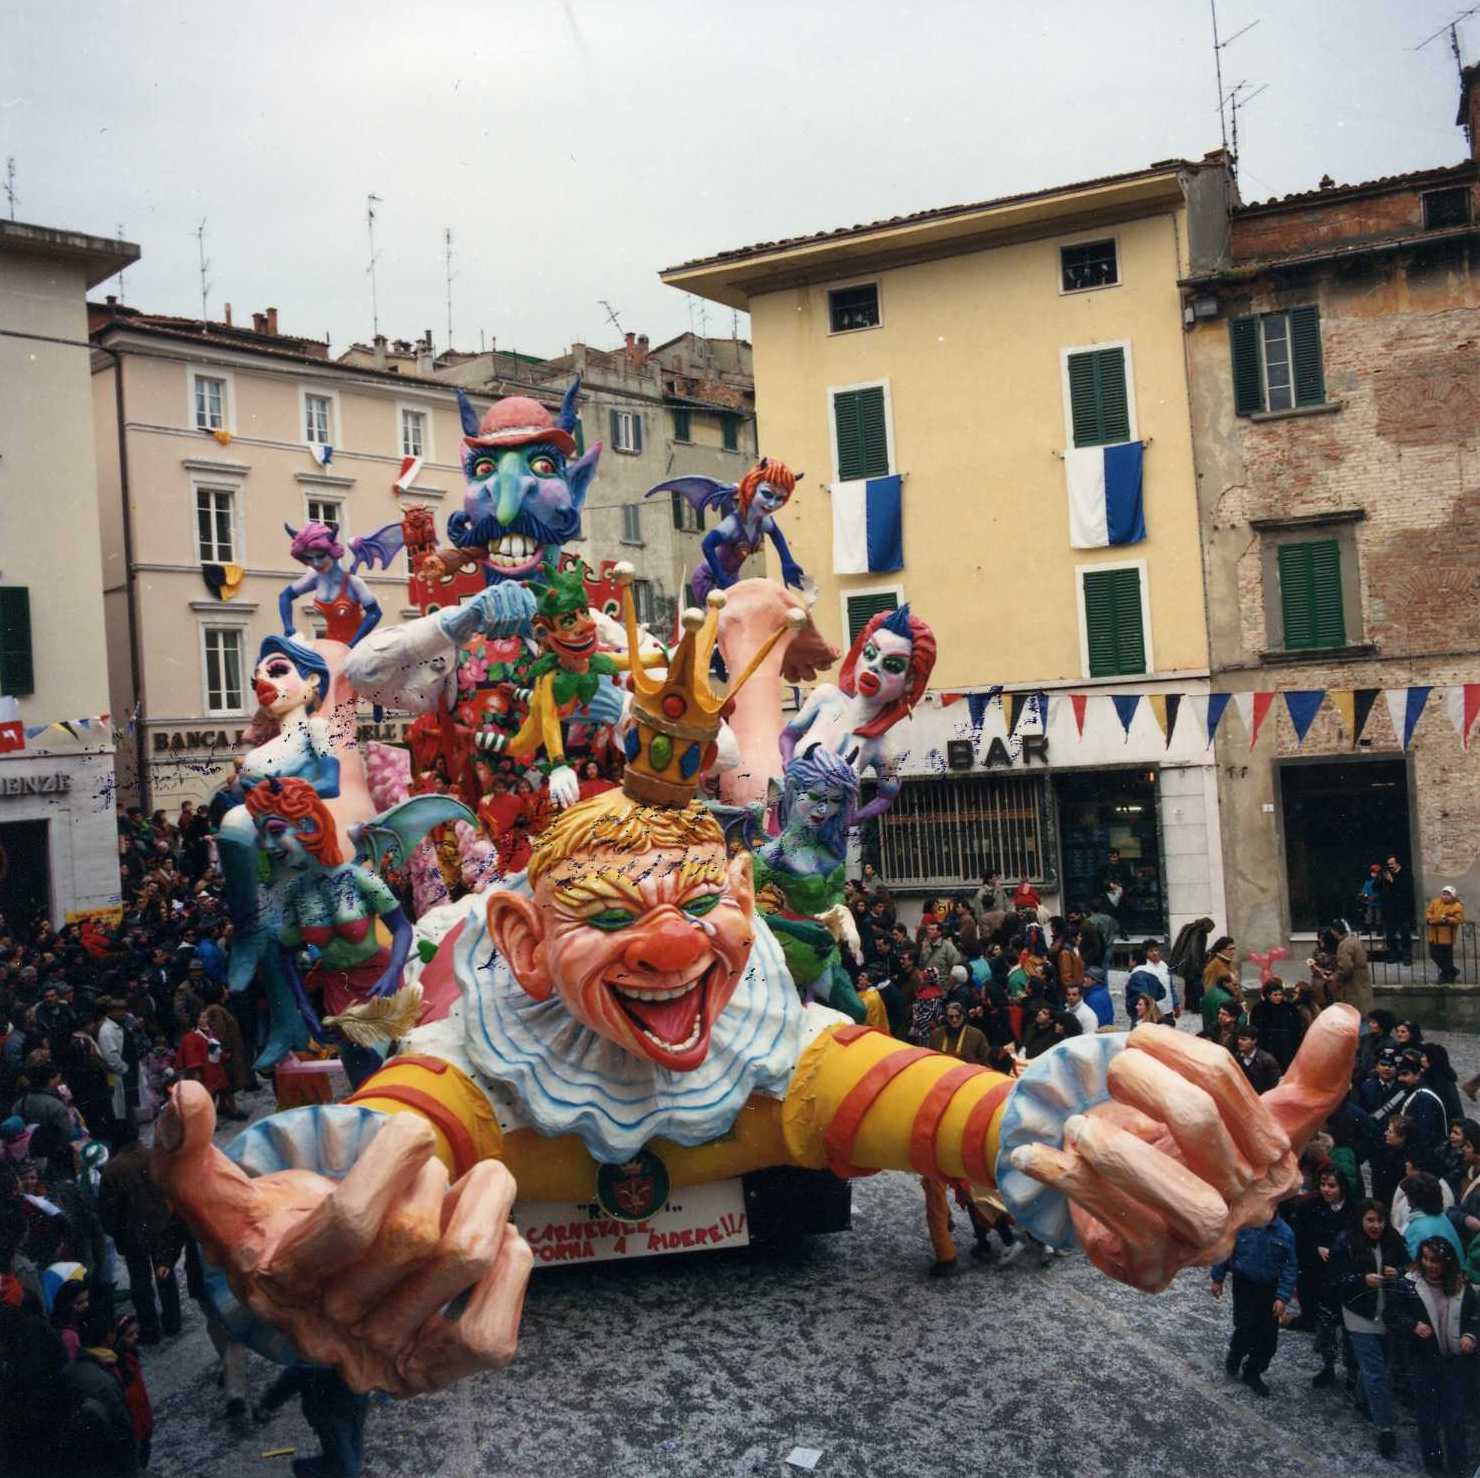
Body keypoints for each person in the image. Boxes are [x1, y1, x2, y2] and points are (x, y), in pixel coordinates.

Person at [1385, 1236, 1477, 1475]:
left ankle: (1457, 1468)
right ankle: (1434, 1466)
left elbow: (1474, 1319)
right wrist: (1413, 1326)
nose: (1430, 1265)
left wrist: (1470, 1335)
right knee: (1428, 1417)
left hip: (1454, 1361)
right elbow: (1392, 1316)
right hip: (1422, 1359)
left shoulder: (1461, 1285)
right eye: (1425, 1259)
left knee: (1454, 1418)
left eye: (1435, 1260)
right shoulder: (1408, 1284)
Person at [1333, 1197, 1407, 1459]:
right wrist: (1362, 1280)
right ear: (1361, 1220)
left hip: (1385, 1313)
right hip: (1359, 1315)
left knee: (1377, 1366)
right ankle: (1385, 1428)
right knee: (1376, 1370)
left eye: (1380, 1220)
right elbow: (1336, 1278)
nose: (1376, 1225)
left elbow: (1407, 1267)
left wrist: (1396, 1272)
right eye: (1370, 1220)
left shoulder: (1393, 1240)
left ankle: (1364, 1399)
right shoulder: (1346, 1241)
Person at [1210, 1209, 1297, 1397]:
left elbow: (1290, 1267)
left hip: (1269, 1289)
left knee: (1268, 1338)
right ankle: (1237, 1352)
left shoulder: (1285, 1233)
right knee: (1245, 1326)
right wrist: (1218, 1278)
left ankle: (1253, 1370)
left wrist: (1282, 1297)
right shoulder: (1243, 1225)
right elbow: (1225, 1250)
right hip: (1244, 1285)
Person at [1395, 1172, 1463, 1261]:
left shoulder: (1417, 1228)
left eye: (1407, 1195)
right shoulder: (1443, 1219)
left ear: (1412, 1199)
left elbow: (1414, 1265)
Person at [1396, 1051, 1448, 1157]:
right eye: (1399, 1075)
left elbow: (1424, 1137)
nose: (1400, 1079)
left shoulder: (1424, 1098)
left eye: (1405, 1074)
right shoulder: (1414, 1093)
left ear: (1418, 1075)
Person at [1249, 978, 1305, 1071]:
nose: (1278, 997)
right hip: (1266, 1048)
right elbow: (1255, 1029)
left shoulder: (1289, 1008)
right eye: (1275, 995)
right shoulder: (1259, 1009)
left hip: (1286, 1049)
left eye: (1280, 994)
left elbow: (1296, 1028)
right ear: (1268, 995)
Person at [1328, 918, 1374, 1015]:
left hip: (1353, 987)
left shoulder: (1344, 945)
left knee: (1356, 1015)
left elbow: (1346, 968)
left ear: (1335, 931)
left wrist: (1334, 977)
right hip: (1362, 983)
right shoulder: (1356, 940)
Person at [1380, 855, 1415, 967]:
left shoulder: (1405, 874)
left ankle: (1407, 957)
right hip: (1390, 911)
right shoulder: (1386, 874)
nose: (1390, 866)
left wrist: (1392, 881)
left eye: (1392, 864)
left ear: (1397, 863)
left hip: (1402, 910)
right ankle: (1393, 955)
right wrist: (1382, 879)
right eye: (1388, 864)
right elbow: (1380, 888)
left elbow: (1405, 889)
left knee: (1405, 935)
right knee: (1390, 935)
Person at [1424, 887, 1464, 984]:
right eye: (1443, 894)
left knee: (1447, 957)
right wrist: (1432, 919)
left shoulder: (1457, 905)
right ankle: (1452, 971)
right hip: (1434, 935)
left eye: (1448, 894)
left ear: (1452, 896)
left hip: (1447, 936)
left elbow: (1458, 919)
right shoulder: (1435, 902)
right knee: (1434, 954)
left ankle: (1446, 976)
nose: (1445, 896)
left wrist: (1447, 920)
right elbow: (1429, 912)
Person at [1200, 937, 1238, 1036]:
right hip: (1220, 1011)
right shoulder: (1213, 967)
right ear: (1221, 950)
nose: (1233, 952)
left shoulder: (1227, 963)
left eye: (1234, 948)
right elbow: (1209, 991)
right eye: (1230, 949)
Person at [1231, 1023, 1281, 1094]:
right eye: (1239, 1039)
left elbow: (1275, 1085)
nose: (1239, 1042)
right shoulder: (1236, 1058)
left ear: (1254, 1041)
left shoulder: (1267, 1060)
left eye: (1244, 1039)